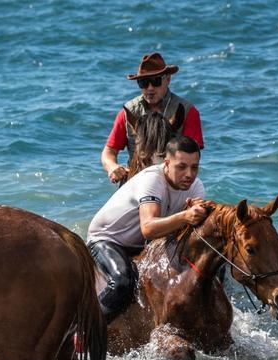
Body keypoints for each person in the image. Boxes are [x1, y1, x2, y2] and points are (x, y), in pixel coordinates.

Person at [88, 136, 208, 322]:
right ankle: (84, 328)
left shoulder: (196, 187)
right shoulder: (153, 180)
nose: (189, 175)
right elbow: (148, 228)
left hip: (142, 245)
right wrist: (185, 216)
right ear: (167, 163)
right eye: (181, 167)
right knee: (122, 282)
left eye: (194, 167)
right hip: (108, 239)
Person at [101, 52, 204, 184]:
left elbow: (192, 157)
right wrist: (112, 167)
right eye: (143, 83)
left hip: (173, 183)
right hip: (136, 180)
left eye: (155, 81)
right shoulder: (128, 112)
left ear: (168, 79)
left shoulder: (189, 112)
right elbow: (109, 152)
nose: (150, 88)